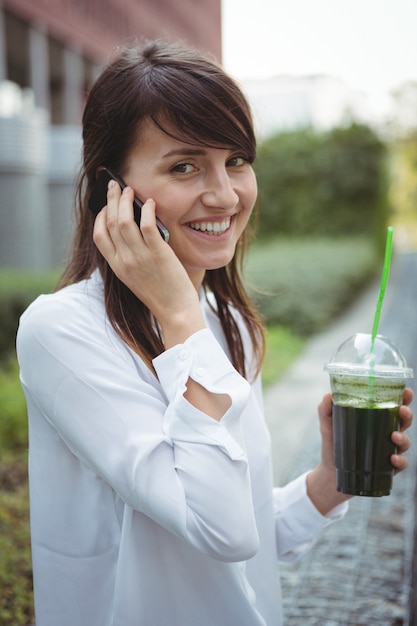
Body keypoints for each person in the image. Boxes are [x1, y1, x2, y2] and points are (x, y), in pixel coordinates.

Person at [16, 40, 413, 626]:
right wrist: (180, 317)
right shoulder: (63, 332)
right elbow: (219, 529)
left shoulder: (227, 326)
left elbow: (242, 534)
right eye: (184, 166)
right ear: (113, 188)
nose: (225, 195)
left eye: (237, 160)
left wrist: (329, 481)